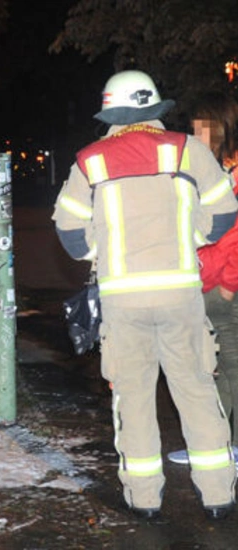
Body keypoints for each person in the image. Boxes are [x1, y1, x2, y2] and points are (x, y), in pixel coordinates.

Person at [52, 70, 238, 521]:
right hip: (181, 296)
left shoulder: (89, 161)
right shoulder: (188, 150)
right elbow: (224, 212)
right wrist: (190, 238)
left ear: (110, 113)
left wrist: (103, 251)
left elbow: (69, 231)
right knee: (196, 391)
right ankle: (218, 496)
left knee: (133, 400)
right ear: (155, 108)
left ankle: (144, 498)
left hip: (123, 302)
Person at [168, 92, 238, 464]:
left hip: (225, 289)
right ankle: (216, 446)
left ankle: (221, 447)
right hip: (205, 284)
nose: (196, 135)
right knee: (211, 370)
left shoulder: (232, 173)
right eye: (194, 128)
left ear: (222, 127)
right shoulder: (210, 170)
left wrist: (228, 285)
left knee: (229, 368)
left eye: (202, 128)